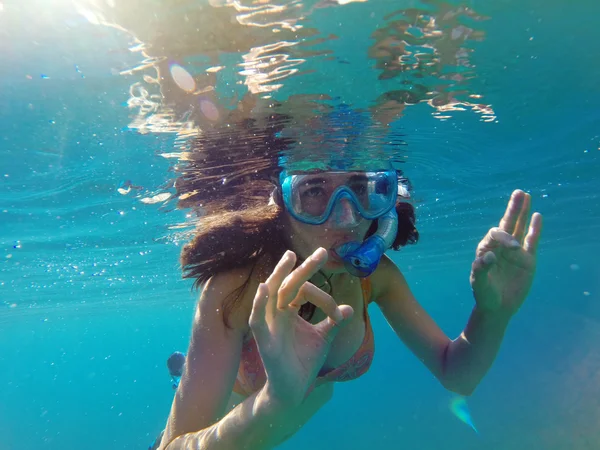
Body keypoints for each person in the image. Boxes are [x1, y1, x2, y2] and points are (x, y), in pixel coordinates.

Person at [151, 143, 543, 450]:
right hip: (238, 412)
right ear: (281, 203)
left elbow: (458, 374)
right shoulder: (234, 290)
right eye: (315, 190)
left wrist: (492, 313)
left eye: (359, 189)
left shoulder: (377, 278)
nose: (347, 219)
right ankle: (183, 373)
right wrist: (275, 400)